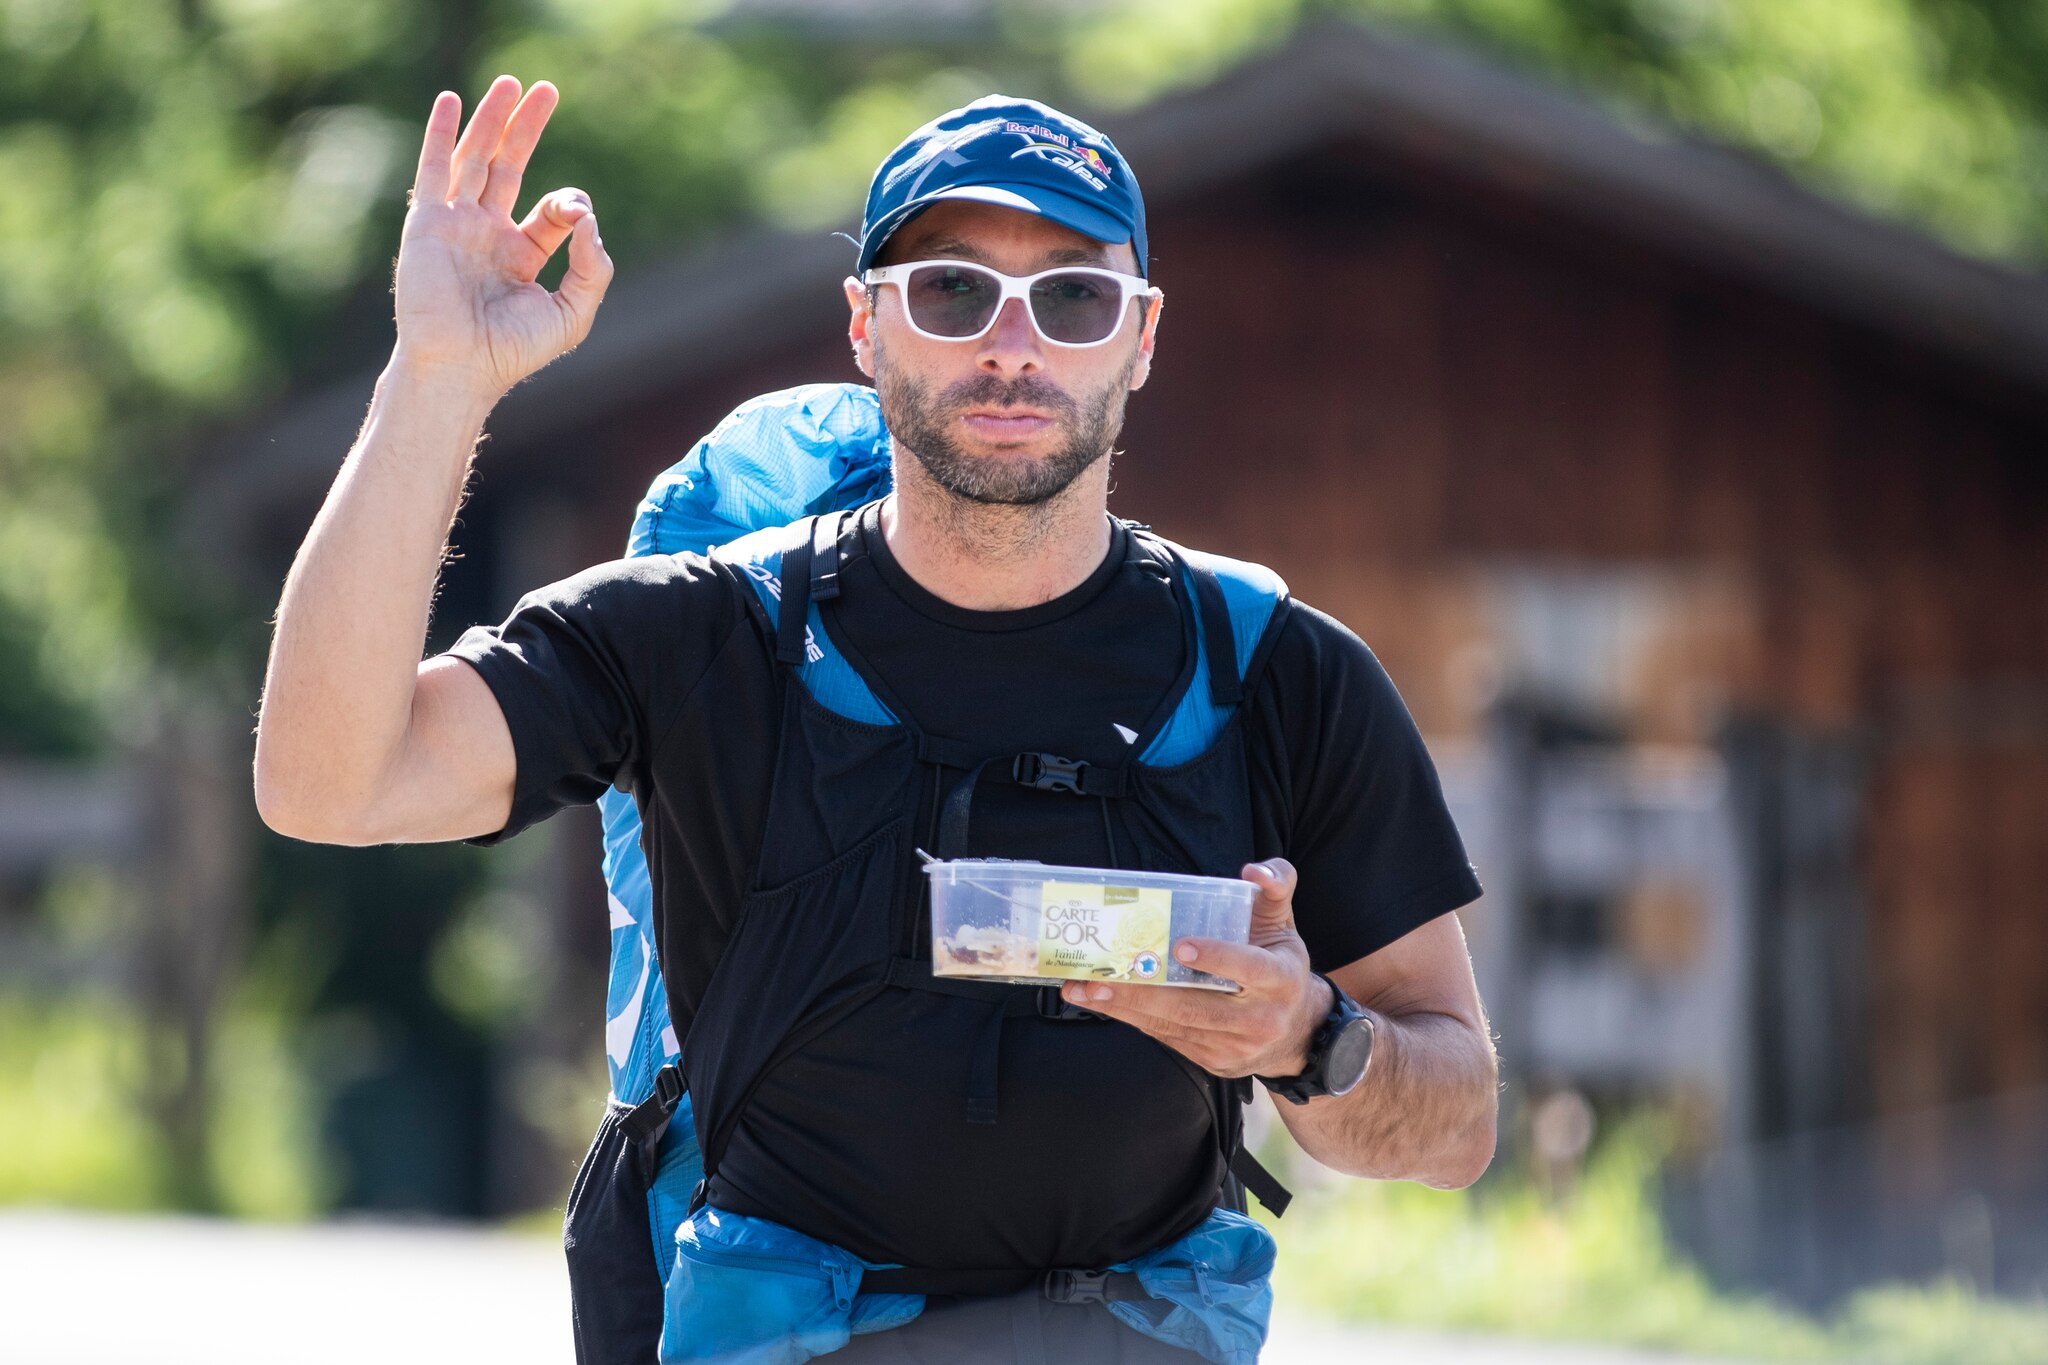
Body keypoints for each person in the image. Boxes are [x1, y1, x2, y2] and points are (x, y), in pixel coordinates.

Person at [253, 75, 1499, 1364]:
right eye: (950, 292)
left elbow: (1456, 1123)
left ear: (1140, 335)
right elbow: (328, 784)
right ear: (865, 325)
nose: (1010, 345)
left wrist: (1312, 1040)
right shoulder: (699, 634)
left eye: (1073, 297)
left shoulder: (1280, 669)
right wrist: (438, 378)